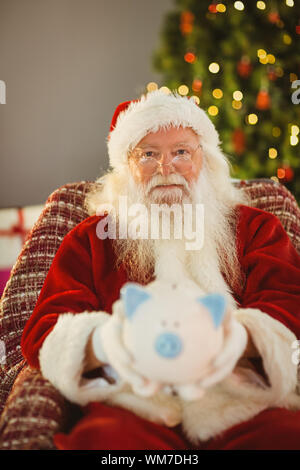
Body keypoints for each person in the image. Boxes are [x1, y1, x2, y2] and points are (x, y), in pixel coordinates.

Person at [21, 90, 300, 450]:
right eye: (148, 154)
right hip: (134, 402)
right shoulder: (92, 239)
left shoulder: (255, 228)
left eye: (181, 152)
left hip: (242, 400)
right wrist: (115, 345)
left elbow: (289, 306)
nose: (166, 169)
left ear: (206, 161)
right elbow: (45, 329)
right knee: (105, 440)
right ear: (126, 168)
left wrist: (226, 343)